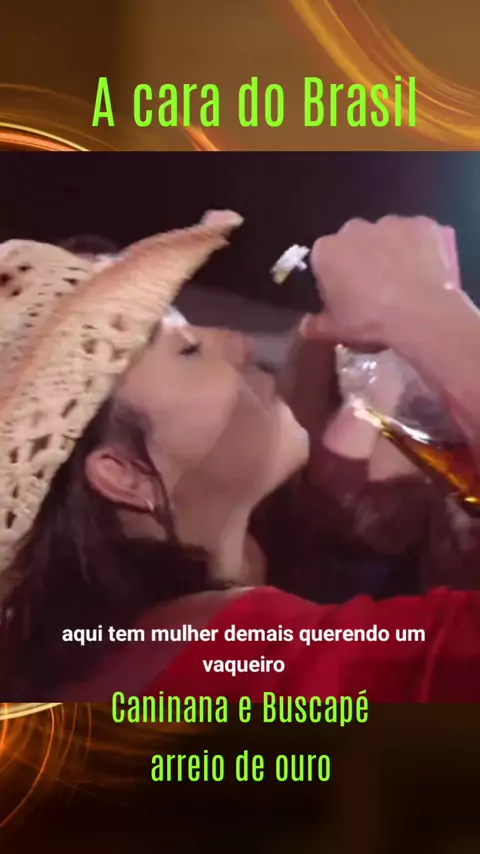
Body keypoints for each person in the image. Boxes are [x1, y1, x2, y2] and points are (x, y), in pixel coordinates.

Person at [1, 212, 479, 703]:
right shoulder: (224, 665)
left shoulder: (139, 657)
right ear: (125, 474)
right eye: (188, 350)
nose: (242, 344)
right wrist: (426, 310)